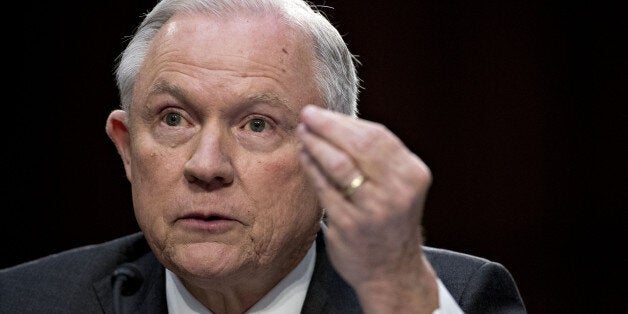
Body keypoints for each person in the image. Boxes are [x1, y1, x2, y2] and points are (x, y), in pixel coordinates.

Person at [0, 0, 526, 313]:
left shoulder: (446, 298)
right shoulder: (24, 301)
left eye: (257, 124)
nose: (206, 166)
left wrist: (396, 289)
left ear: (334, 157)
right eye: (173, 119)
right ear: (127, 148)